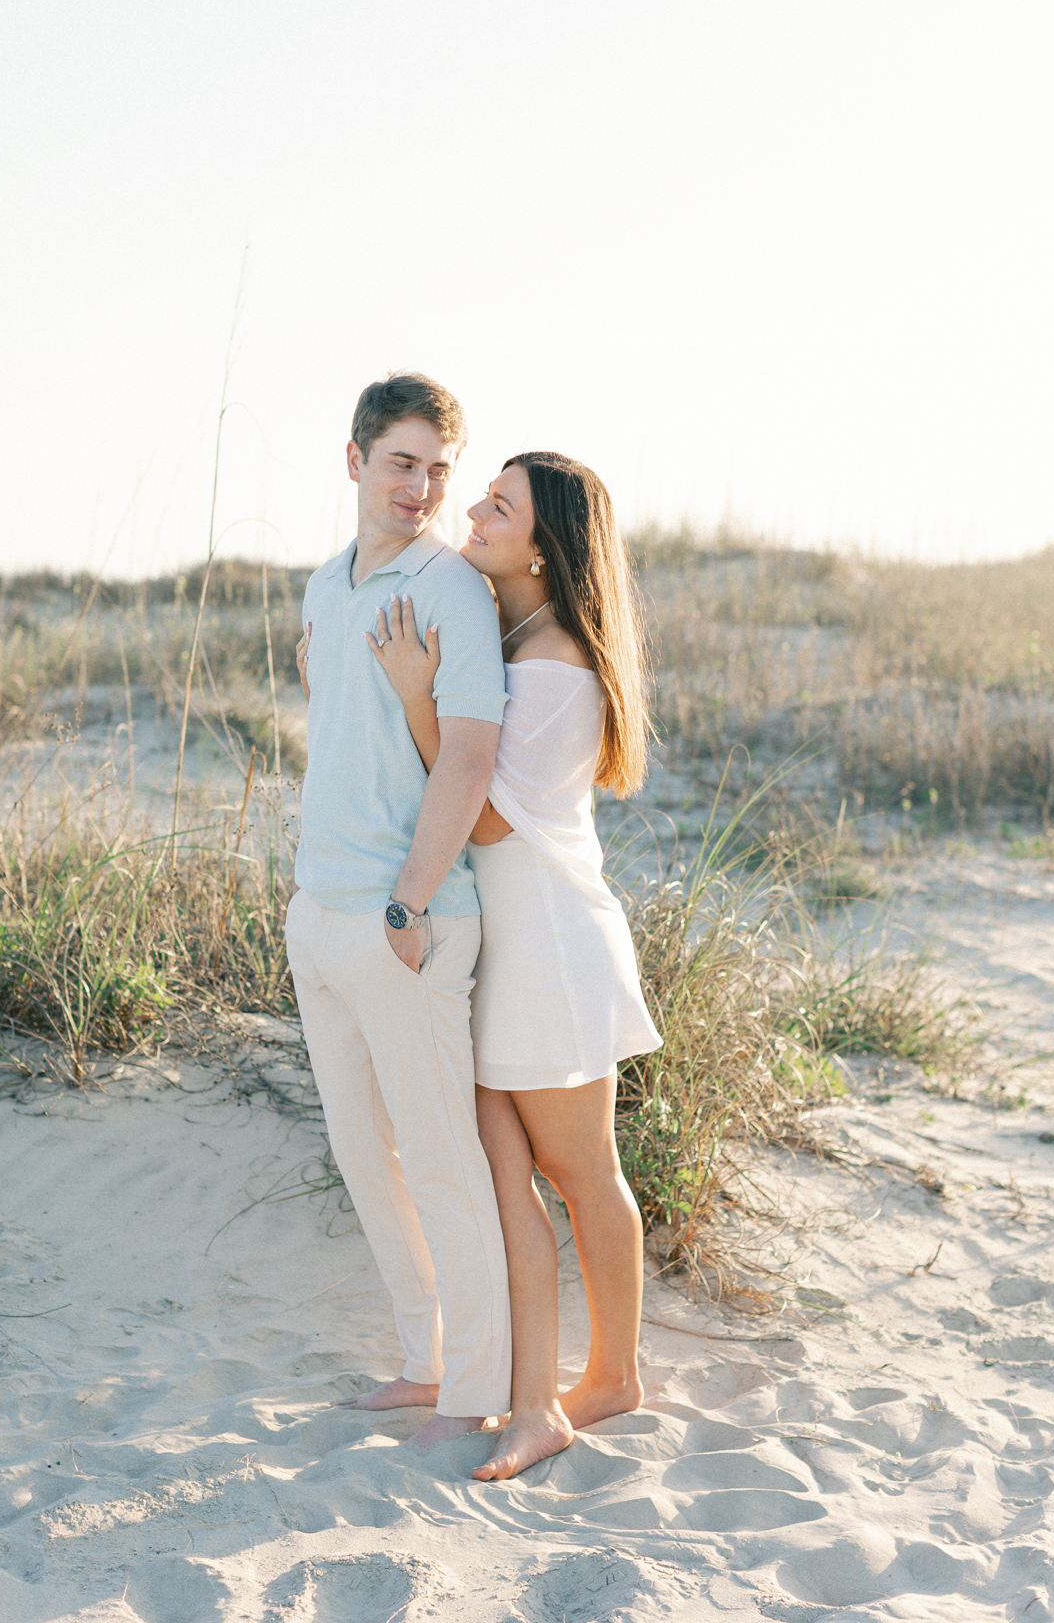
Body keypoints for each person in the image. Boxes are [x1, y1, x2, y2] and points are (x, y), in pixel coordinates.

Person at [366, 449, 661, 1481]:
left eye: (501, 505)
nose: (477, 513)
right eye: (482, 495)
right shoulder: (517, 638)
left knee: (583, 1174)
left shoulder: (552, 665)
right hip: (512, 947)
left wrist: (414, 698)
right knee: (512, 1180)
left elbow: (483, 812)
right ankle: (532, 1388)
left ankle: (614, 1375)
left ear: (546, 546)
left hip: (551, 948)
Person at [286, 373, 512, 1452]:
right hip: (317, 911)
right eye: (400, 462)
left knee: (438, 1156)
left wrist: (408, 904)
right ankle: (425, 1362)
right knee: (361, 1153)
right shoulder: (325, 588)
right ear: (355, 461)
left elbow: (470, 755)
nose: (419, 486)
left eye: (436, 468)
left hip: (404, 917)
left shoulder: (452, 591)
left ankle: (476, 1386)